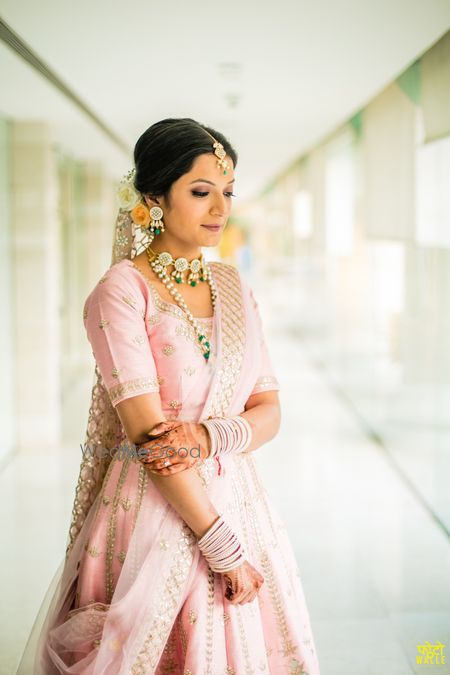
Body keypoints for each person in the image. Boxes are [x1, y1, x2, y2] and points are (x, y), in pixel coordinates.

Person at [17, 117, 320, 674]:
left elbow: (271, 410)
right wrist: (221, 546)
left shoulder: (234, 286)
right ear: (154, 197)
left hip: (242, 502)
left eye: (227, 192)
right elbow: (150, 438)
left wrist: (209, 436)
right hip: (151, 516)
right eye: (200, 192)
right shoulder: (122, 291)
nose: (220, 209)